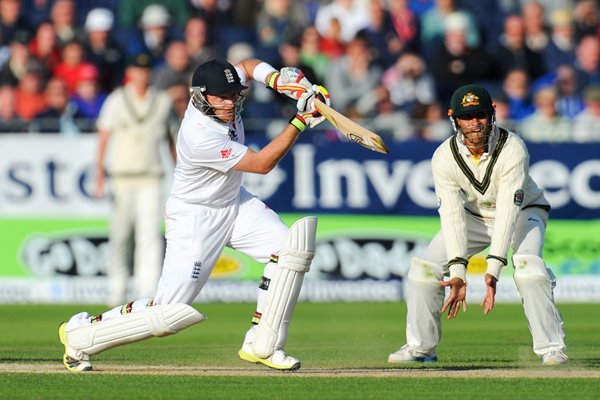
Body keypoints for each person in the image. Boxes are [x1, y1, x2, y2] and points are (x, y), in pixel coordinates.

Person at [59, 58, 330, 372]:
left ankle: (263, 343)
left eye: (235, 94)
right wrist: (300, 120)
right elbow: (261, 165)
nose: (231, 102)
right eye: (223, 97)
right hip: (194, 219)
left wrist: (278, 82)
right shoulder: (199, 135)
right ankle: (80, 335)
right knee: (168, 312)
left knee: (290, 249)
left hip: (234, 203)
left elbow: (248, 64)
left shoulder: (222, 94)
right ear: (202, 96)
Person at [388, 84, 567, 366]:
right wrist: (458, 271)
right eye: (467, 117)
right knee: (423, 270)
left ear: (492, 114)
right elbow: (452, 214)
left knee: (527, 267)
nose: (475, 124)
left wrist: (492, 269)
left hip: (523, 211)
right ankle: (421, 348)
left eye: (481, 116)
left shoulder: (513, 149)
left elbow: (509, 209)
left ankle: (552, 349)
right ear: (453, 118)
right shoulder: (443, 157)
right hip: (473, 217)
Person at [94, 52, 175, 307]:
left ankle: (147, 292)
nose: (142, 74)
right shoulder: (117, 100)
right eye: (137, 70)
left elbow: (171, 139)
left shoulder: (162, 101)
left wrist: (180, 172)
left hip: (151, 177)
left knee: (149, 236)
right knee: (120, 235)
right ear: (130, 73)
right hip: (122, 177)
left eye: (146, 70)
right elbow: (104, 137)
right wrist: (99, 173)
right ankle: (116, 289)